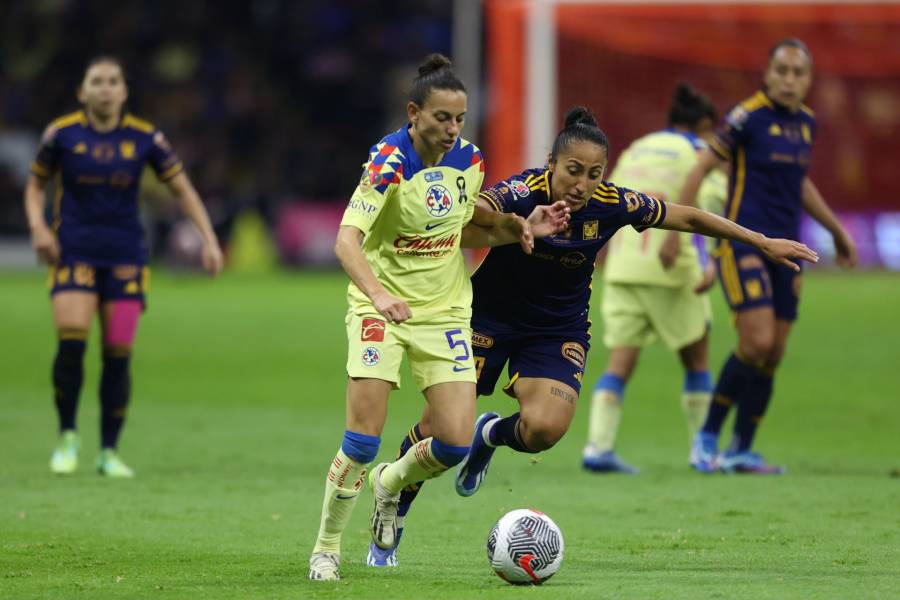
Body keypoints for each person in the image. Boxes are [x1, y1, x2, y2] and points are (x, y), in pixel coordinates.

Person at [366, 105, 819, 567]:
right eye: (573, 171)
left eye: (594, 173)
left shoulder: (612, 203)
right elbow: (480, 208)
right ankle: (394, 506)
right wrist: (499, 217)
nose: (581, 184)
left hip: (556, 329)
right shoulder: (525, 191)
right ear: (552, 165)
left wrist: (761, 241)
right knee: (441, 431)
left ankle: (493, 434)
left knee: (544, 429)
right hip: (486, 321)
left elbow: (688, 217)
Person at [307, 54, 569, 581]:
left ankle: (390, 485)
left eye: (459, 119)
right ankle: (327, 548)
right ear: (413, 113)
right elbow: (346, 241)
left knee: (451, 442)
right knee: (362, 438)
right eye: (441, 118)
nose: (452, 129)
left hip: (445, 311)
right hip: (380, 306)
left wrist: (521, 225)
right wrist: (379, 295)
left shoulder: (469, 161)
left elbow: (460, 229)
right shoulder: (387, 163)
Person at [24, 56, 222, 479]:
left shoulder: (145, 138)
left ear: (124, 91)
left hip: (126, 255)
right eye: (97, 81)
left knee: (118, 354)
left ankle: (109, 451)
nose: (106, 88)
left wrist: (208, 239)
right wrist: (39, 227)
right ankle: (68, 437)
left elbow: (182, 189)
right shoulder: (61, 134)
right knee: (72, 344)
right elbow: (35, 183)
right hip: (73, 251)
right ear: (82, 92)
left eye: (114, 81)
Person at [685, 39, 858, 474]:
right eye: (781, 70)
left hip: (790, 250)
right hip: (745, 243)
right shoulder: (747, 117)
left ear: (809, 80)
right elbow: (702, 165)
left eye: (798, 73)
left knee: (774, 351)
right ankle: (706, 440)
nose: (789, 79)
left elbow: (799, 184)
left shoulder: (806, 124)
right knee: (756, 341)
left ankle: (742, 448)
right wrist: (682, 238)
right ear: (767, 73)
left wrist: (836, 230)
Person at [581, 83, 725, 474]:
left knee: (620, 361)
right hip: (669, 267)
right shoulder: (698, 152)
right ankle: (703, 451)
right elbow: (705, 205)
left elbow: (608, 196)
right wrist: (711, 258)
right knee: (697, 360)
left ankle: (597, 446)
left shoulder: (638, 148)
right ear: (706, 125)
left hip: (624, 265)